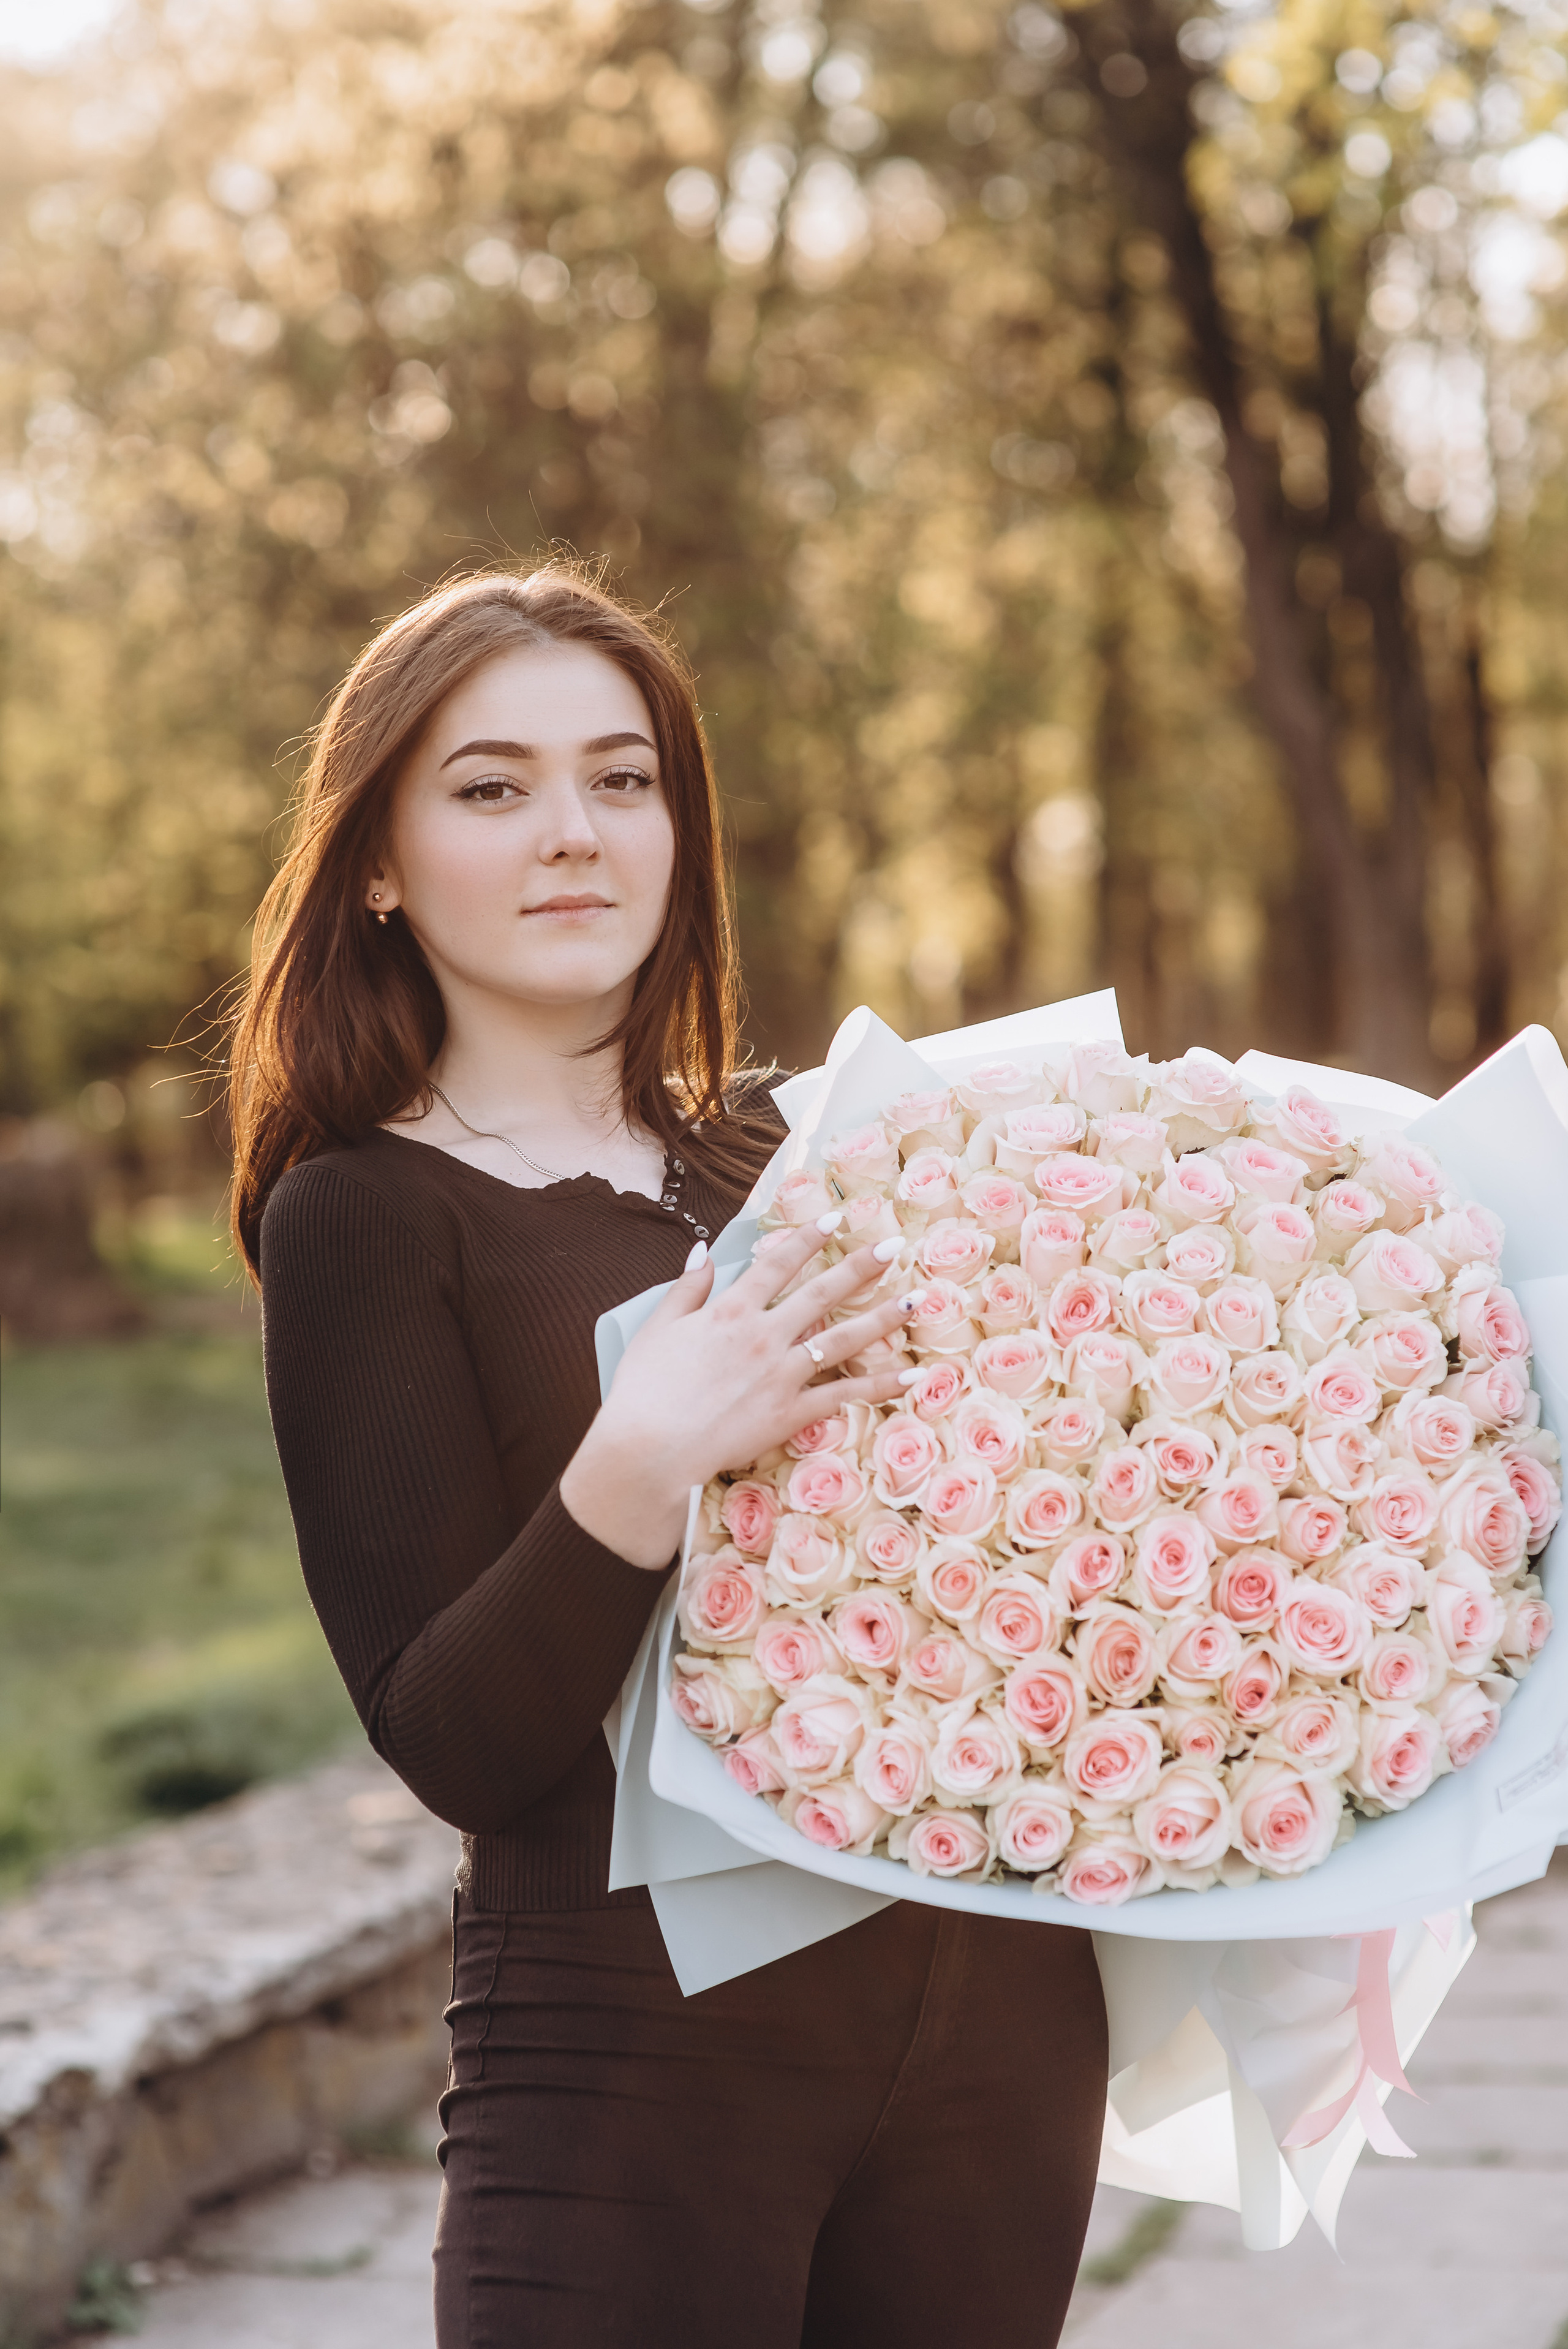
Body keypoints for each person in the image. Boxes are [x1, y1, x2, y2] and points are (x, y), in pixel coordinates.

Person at [233, 564, 1107, 2349]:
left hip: (1001, 2028)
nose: (573, 832)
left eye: (622, 779)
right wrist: (638, 1465)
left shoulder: (836, 1150)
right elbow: (457, 1739)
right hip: (631, 2054)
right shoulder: (366, 1217)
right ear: (380, 861)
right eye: (493, 786)